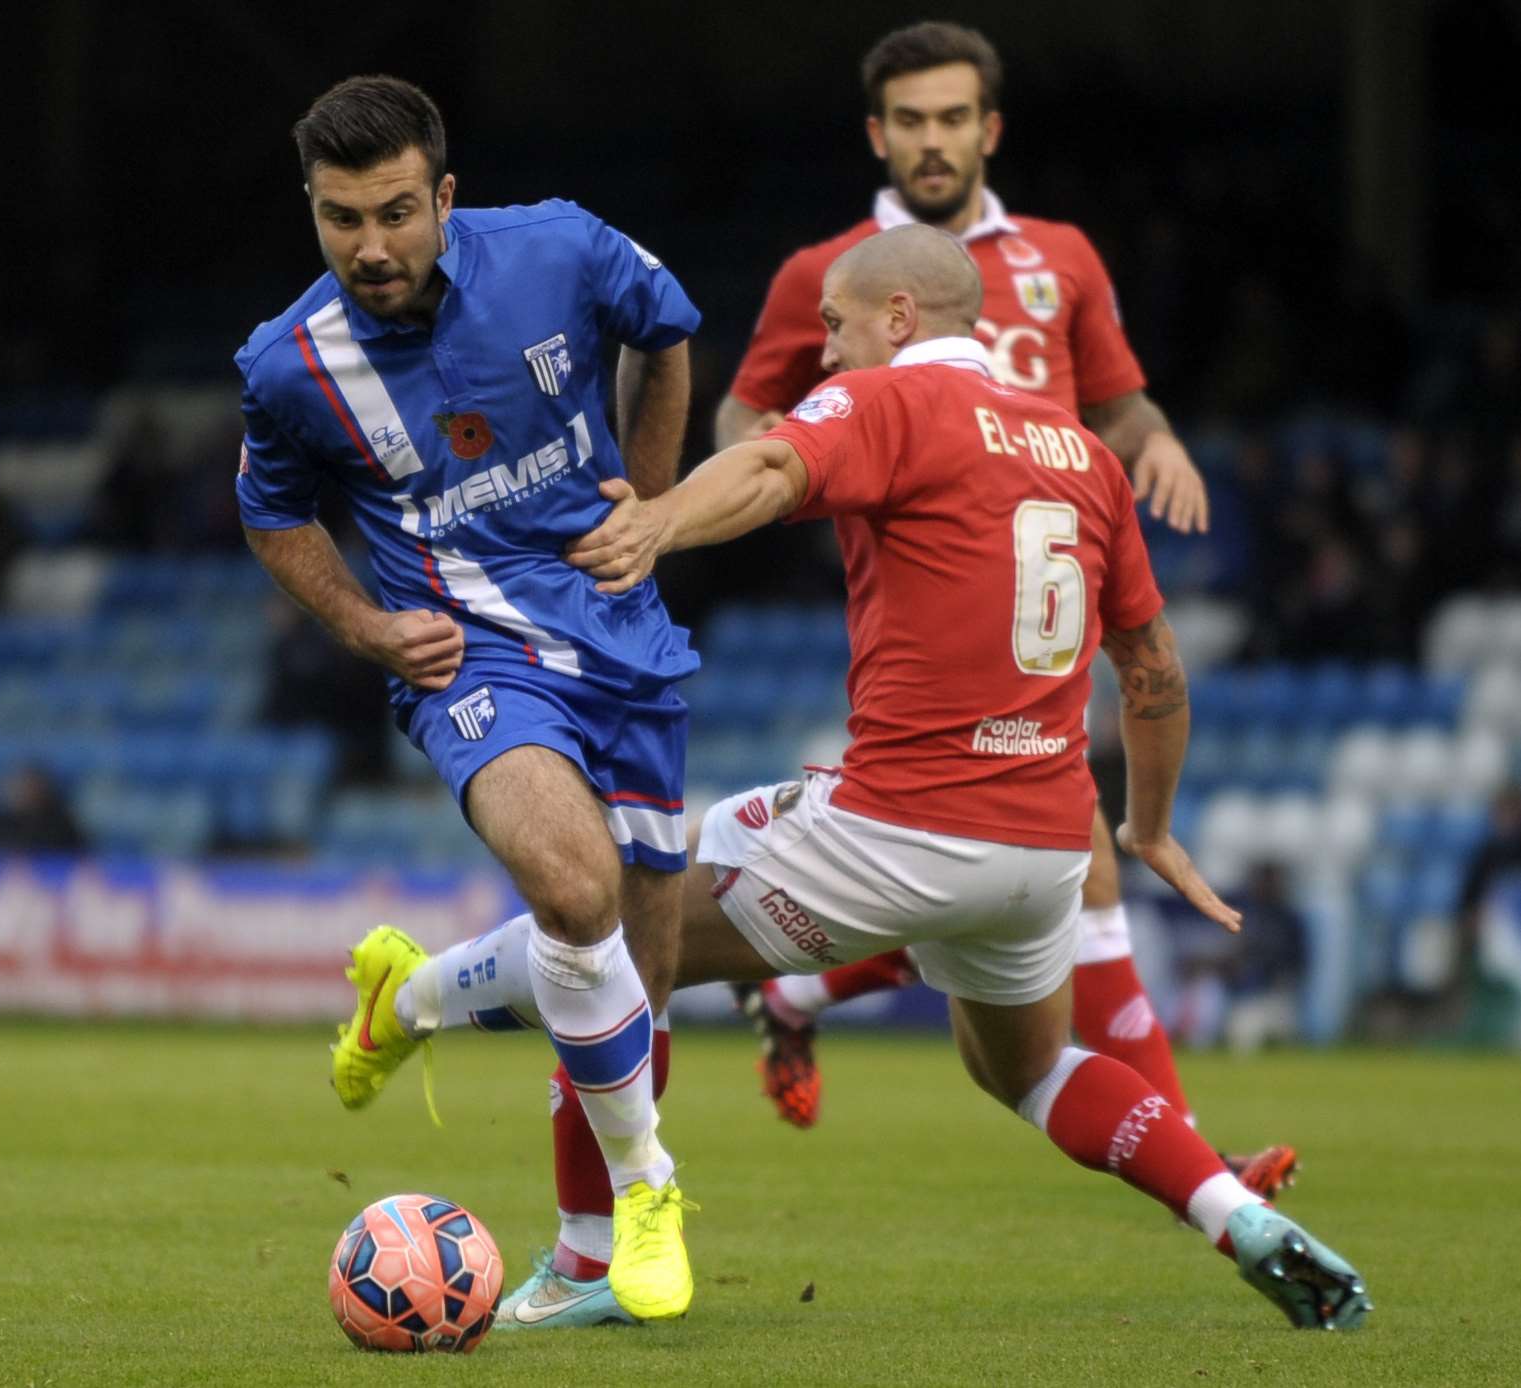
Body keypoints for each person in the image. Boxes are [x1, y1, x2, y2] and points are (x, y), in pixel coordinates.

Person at [349, 227, 1371, 1331]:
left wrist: (655, 521)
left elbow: (770, 463)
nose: (822, 356)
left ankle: (472, 1088)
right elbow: (1154, 667)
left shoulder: (892, 400)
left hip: (897, 825)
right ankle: (1233, 1214)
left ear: (897, 316)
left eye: (832, 327)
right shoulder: (1082, 452)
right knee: (1026, 1071)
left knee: (624, 922)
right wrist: (1150, 824)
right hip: (1043, 851)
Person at [709, 24, 1289, 1200]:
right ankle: (1192, 1161)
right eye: (909, 121)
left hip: (1042, 602)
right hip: (925, 599)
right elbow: (744, 416)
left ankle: (802, 987)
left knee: (1016, 878)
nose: (932, 140)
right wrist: (795, 469)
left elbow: (1117, 407)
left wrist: (1160, 438)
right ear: (877, 134)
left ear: (988, 129)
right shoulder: (828, 275)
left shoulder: (1060, 258)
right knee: (1056, 874)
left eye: (951, 118)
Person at [234, 76, 700, 1322]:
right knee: (572, 883)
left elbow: (665, 333)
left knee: (632, 979)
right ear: (312, 211)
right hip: (471, 658)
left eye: (394, 212)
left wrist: (648, 505)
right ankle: (649, 1186)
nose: (370, 247)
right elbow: (270, 511)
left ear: (445, 195)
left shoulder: (556, 246)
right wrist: (368, 625)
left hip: (617, 630)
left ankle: (419, 1003)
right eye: (340, 220)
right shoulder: (288, 367)